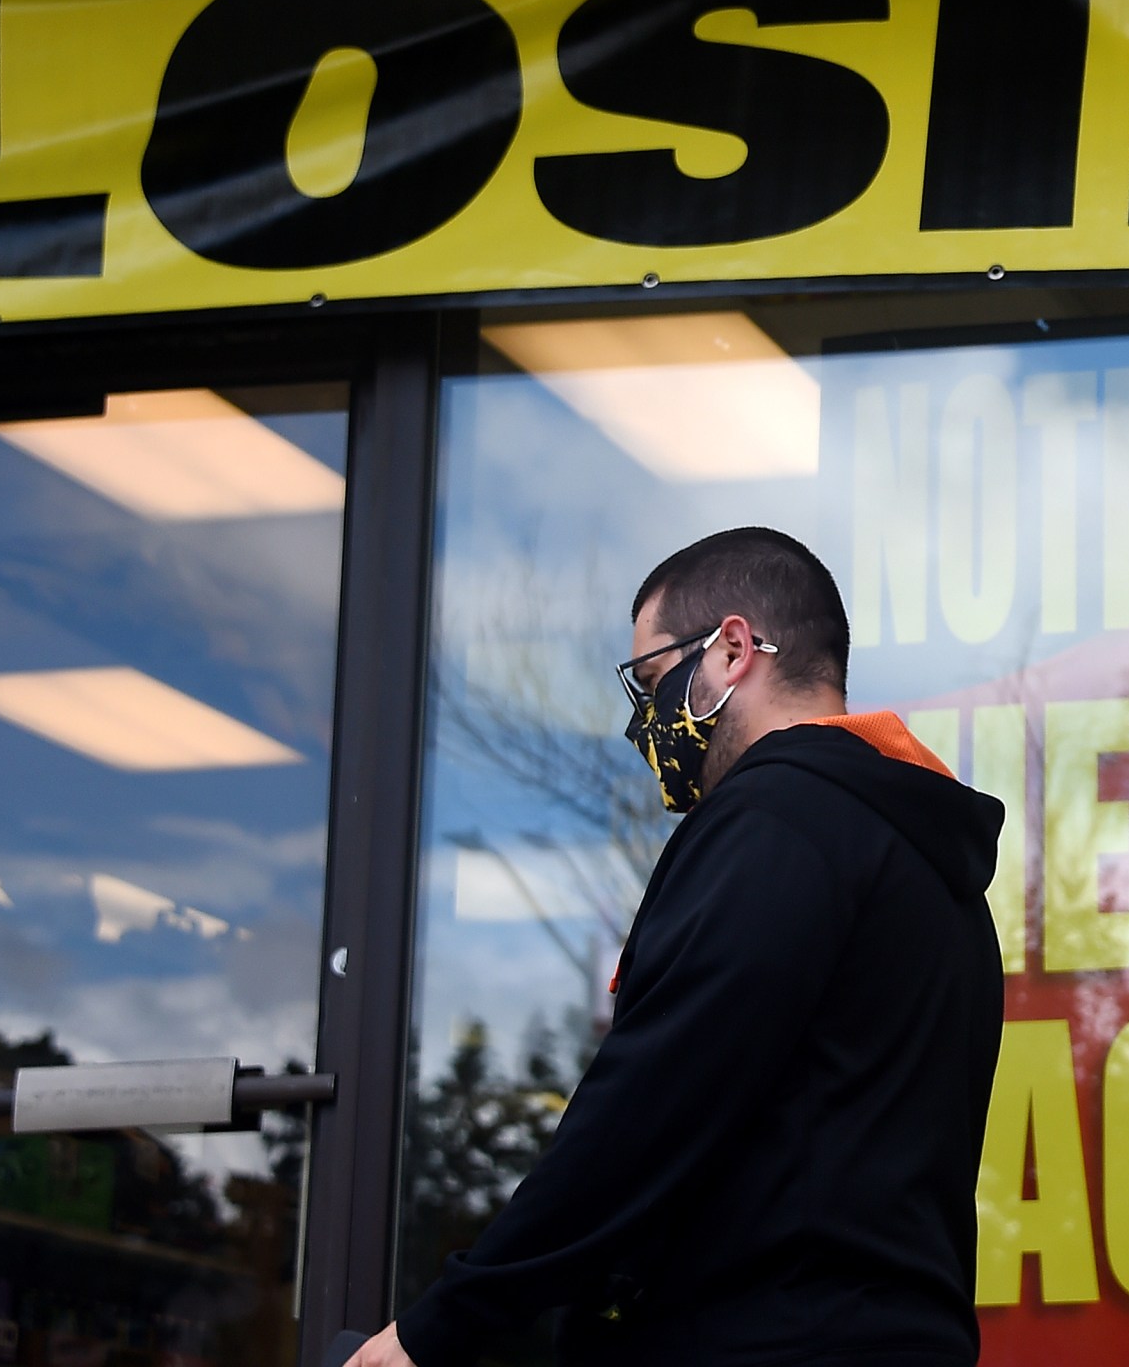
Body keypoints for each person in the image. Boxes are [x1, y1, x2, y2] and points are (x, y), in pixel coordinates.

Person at [349, 526, 1008, 1367]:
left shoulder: (775, 821)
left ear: (733, 649)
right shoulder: (931, 870)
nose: (643, 727)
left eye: (654, 682)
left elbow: (653, 1101)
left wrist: (441, 1326)